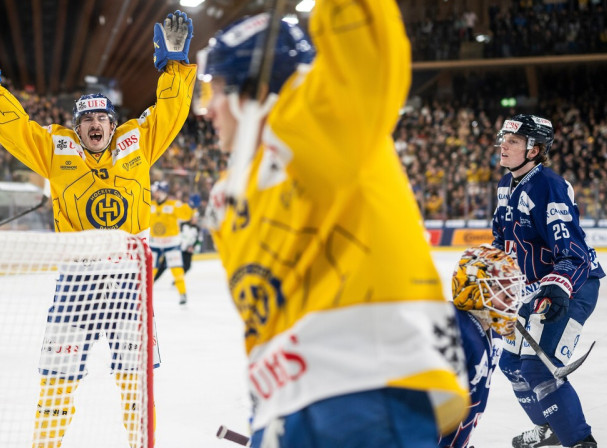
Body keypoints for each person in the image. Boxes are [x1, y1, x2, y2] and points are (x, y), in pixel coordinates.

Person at [196, 1, 469, 446]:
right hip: (282, 409)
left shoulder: (330, 119)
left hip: (367, 388)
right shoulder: (232, 196)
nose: (207, 111)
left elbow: (364, 33)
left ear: (257, 90)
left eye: (218, 90)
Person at [0, 10, 195, 448]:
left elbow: (172, 109)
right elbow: (17, 129)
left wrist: (176, 67)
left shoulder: (138, 143)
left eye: (102, 117)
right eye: (86, 120)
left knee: (136, 385)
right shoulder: (55, 150)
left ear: (112, 122)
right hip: (77, 281)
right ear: (78, 126)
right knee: (56, 382)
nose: (95, 124)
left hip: (129, 282)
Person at [491, 114, 605, 448]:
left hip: (572, 285)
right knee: (511, 363)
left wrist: (559, 286)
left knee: (539, 367)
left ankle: (581, 441)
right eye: (504, 139)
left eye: (513, 141)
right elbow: (503, 241)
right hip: (535, 288)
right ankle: (550, 426)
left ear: (535, 149)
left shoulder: (549, 186)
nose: (504, 145)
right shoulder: (505, 186)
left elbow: (572, 252)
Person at [441, 244, 525, 447]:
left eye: (512, 288)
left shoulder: (493, 335)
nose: (512, 297)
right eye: (500, 288)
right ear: (473, 290)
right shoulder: (453, 331)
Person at [149, 180, 194, 305]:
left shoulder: (174, 204)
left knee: (177, 270)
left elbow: (186, 216)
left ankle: (182, 293)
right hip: (154, 243)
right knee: (150, 271)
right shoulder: (149, 205)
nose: (155, 194)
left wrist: (189, 207)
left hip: (171, 244)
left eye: (157, 191)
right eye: (154, 192)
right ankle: (144, 295)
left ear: (163, 192)